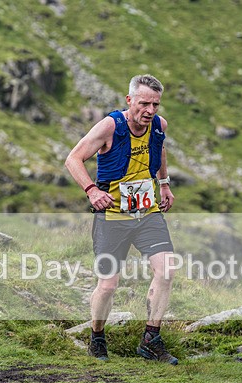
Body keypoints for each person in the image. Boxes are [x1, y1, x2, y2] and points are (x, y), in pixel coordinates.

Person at [65, 74, 178, 365]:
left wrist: (164, 184)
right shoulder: (109, 127)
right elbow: (73, 159)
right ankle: (97, 336)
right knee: (108, 285)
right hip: (112, 216)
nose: (150, 111)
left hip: (147, 213)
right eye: (144, 103)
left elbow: (160, 149)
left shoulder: (158, 126)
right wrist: (91, 190)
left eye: (155, 104)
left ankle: (151, 340)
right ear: (129, 101)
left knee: (166, 271)